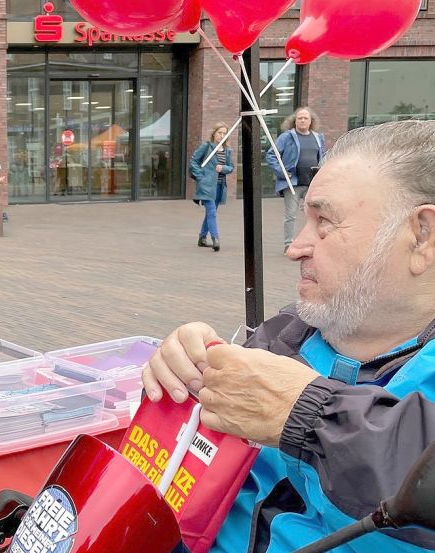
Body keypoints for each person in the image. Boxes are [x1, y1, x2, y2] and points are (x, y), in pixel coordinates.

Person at [143, 120, 435, 552]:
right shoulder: (284, 335)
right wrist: (182, 376)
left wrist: (311, 417)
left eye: (324, 222)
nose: (295, 247)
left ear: (422, 235)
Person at [267, 107, 326, 254]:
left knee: (314, 215)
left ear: (311, 121)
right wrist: (282, 173)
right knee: (291, 215)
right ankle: (289, 243)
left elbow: (323, 158)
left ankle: (312, 242)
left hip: (312, 183)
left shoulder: (318, 137)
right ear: (295, 120)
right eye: (300, 118)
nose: (303, 120)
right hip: (292, 183)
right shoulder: (287, 137)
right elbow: (271, 155)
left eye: (306, 118)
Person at [189, 123, 234, 252]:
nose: (222, 135)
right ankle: (216, 239)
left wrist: (223, 168)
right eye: (220, 132)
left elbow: (231, 167)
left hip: (220, 186)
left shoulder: (227, 151)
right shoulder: (207, 147)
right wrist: (200, 176)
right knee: (212, 212)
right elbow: (193, 161)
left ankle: (202, 237)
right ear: (214, 133)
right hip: (207, 185)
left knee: (211, 212)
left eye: (224, 133)